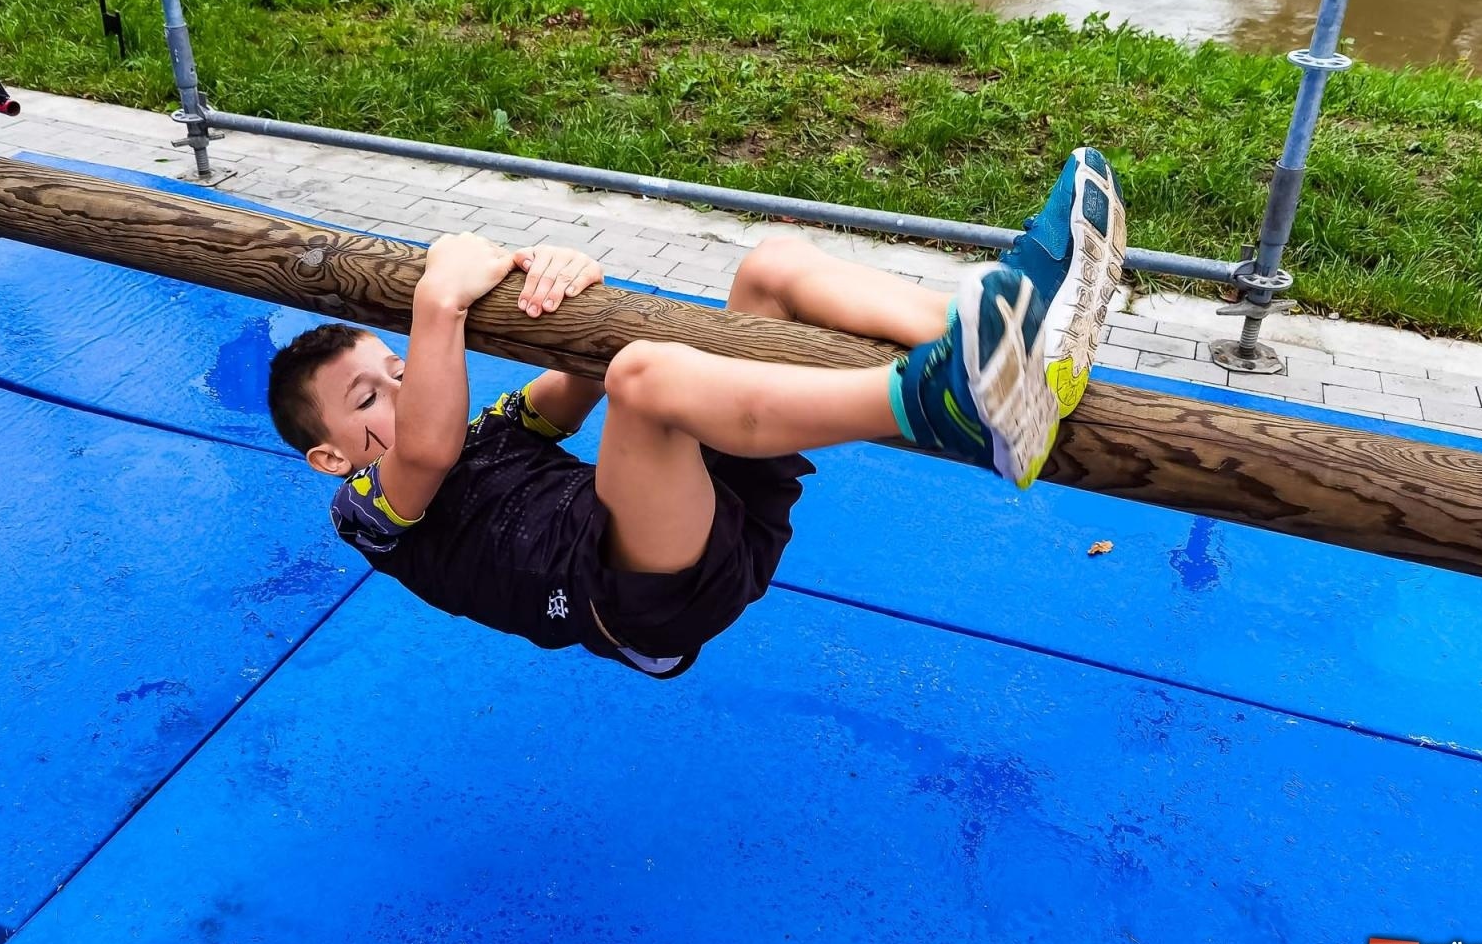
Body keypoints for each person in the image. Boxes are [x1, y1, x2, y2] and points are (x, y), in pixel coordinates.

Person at [266, 148, 1126, 677]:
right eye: (371, 395)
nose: (407, 386)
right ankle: (942, 406)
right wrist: (437, 305)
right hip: (639, 594)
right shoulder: (369, 511)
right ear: (331, 458)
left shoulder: (488, 428)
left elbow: (576, 382)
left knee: (771, 268)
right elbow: (426, 448)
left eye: (399, 368)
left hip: (710, 512)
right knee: (648, 377)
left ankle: (1006, 336)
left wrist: (567, 275)